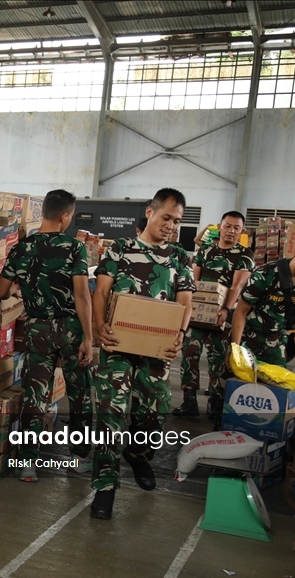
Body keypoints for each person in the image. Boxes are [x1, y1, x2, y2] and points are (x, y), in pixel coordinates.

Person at [91, 188, 195, 520]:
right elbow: (102, 291)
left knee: (155, 412)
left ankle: (137, 453)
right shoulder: (120, 249)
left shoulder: (179, 257)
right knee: (111, 413)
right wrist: (98, 328)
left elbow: (185, 301)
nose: (171, 225)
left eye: (176, 221)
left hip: (156, 351)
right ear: (150, 212)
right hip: (117, 346)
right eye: (166, 218)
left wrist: (179, 335)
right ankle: (105, 487)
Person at [0, 189, 93, 482]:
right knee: (79, 394)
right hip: (71, 328)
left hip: (37, 328)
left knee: (35, 394)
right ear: (65, 216)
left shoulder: (22, 248)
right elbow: (81, 295)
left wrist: (19, 290)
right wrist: (89, 337)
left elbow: (0, 292)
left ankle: (27, 464)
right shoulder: (75, 248)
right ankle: (78, 459)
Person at [173, 211, 254, 419]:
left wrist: (226, 310)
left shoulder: (245, 255)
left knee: (219, 357)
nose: (231, 231)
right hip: (200, 312)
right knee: (190, 351)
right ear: (220, 227)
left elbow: (237, 286)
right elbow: (194, 281)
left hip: (225, 314)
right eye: (227, 226)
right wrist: (192, 307)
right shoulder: (206, 251)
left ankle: (215, 402)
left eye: (236, 228)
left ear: (242, 231)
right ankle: (189, 400)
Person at [232, 233, 295, 382]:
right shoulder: (264, 275)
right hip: (248, 339)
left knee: (276, 391)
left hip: (278, 342)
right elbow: (241, 312)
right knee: (238, 387)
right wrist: (236, 348)